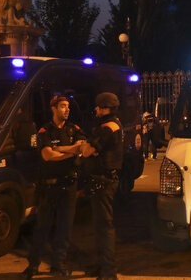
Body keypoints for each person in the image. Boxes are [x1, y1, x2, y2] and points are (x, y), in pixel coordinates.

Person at [24, 96, 86, 278]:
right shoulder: (44, 131)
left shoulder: (74, 129)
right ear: (54, 108)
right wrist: (71, 149)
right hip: (49, 187)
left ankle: (58, 265)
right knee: (42, 227)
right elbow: (47, 155)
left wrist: (61, 149)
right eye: (62, 106)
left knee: (64, 229)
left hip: (69, 186)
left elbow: (81, 148)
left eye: (68, 107)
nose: (67, 110)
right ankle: (33, 266)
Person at [81, 93, 125, 280]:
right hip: (105, 181)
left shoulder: (107, 127)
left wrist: (83, 145)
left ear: (105, 108)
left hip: (103, 182)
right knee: (100, 226)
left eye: (98, 107)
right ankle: (102, 266)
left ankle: (108, 272)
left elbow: (87, 151)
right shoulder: (115, 124)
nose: (96, 110)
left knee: (104, 227)